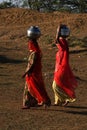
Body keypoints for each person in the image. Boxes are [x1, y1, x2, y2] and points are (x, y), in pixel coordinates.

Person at [22, 26, 51, 109]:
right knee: (34, 87)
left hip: (32, 73)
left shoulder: (34, 53)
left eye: (30, 44)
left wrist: (26, 73)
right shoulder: (37, 52)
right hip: (36, 73)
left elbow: (32, 64)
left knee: (33, 87)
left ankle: (42, 101)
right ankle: (32, 102)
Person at [52, 24, 78, 106]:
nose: (56, 43)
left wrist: (58, 31)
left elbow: (56, 40)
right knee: (59, 84)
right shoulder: (62, 47)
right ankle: (58, 101)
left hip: (62, 68)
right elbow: (56, 41)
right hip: (59, 67)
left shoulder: (63, 44)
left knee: (55, 85)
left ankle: (67, 98)